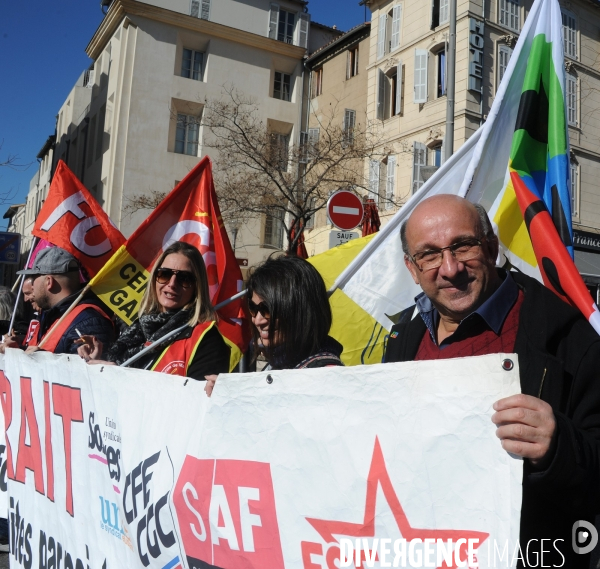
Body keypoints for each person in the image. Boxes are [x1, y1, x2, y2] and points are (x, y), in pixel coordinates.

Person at [384, 194, 600, 568]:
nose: (450, 268)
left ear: (492, 246)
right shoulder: (402, 340)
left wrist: (559, 447)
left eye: (462, 246)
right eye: (430, 254)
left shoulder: (569, 340)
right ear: (412, 267)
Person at [78, 241, 230, 380]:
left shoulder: (207, 339)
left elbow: (195, 403)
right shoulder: (137, 328)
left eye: (184, 278)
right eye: (165, 274)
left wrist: (120, 379)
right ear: (154, 278)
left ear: (197, 287)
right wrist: (97, 359)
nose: (172, 284)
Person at [205, 255, 343, 396]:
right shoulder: (281, 364)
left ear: (301, 310)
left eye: (268, 309)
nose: (257, 320)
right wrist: (231, 394)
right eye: (253, 308)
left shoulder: (327, 377)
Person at [15, 247, 115, 354]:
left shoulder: (88, 322)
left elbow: (87, 367)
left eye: (34, 279)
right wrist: (17, 349)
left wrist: (42, 359)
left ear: (49, 282)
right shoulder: (53, 315)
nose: (32, 286)